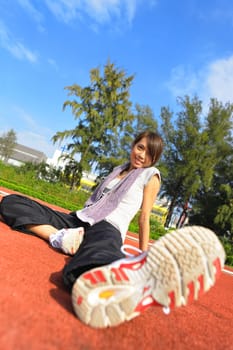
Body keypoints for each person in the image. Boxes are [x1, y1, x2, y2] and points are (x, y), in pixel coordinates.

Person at [0, 130, 225, 329]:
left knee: (102, 250)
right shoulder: (118, 169)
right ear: (133, 145)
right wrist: (64, 229)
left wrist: (145, 256)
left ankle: (114, 283)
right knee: (13, 203)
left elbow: (145, 216)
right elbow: (94, 202)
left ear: (154, 159)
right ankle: (59, 237)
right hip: (80, 219)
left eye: (149, 153)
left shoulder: (151, 174)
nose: (141, 155)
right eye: (140, 147)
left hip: (109, 225)